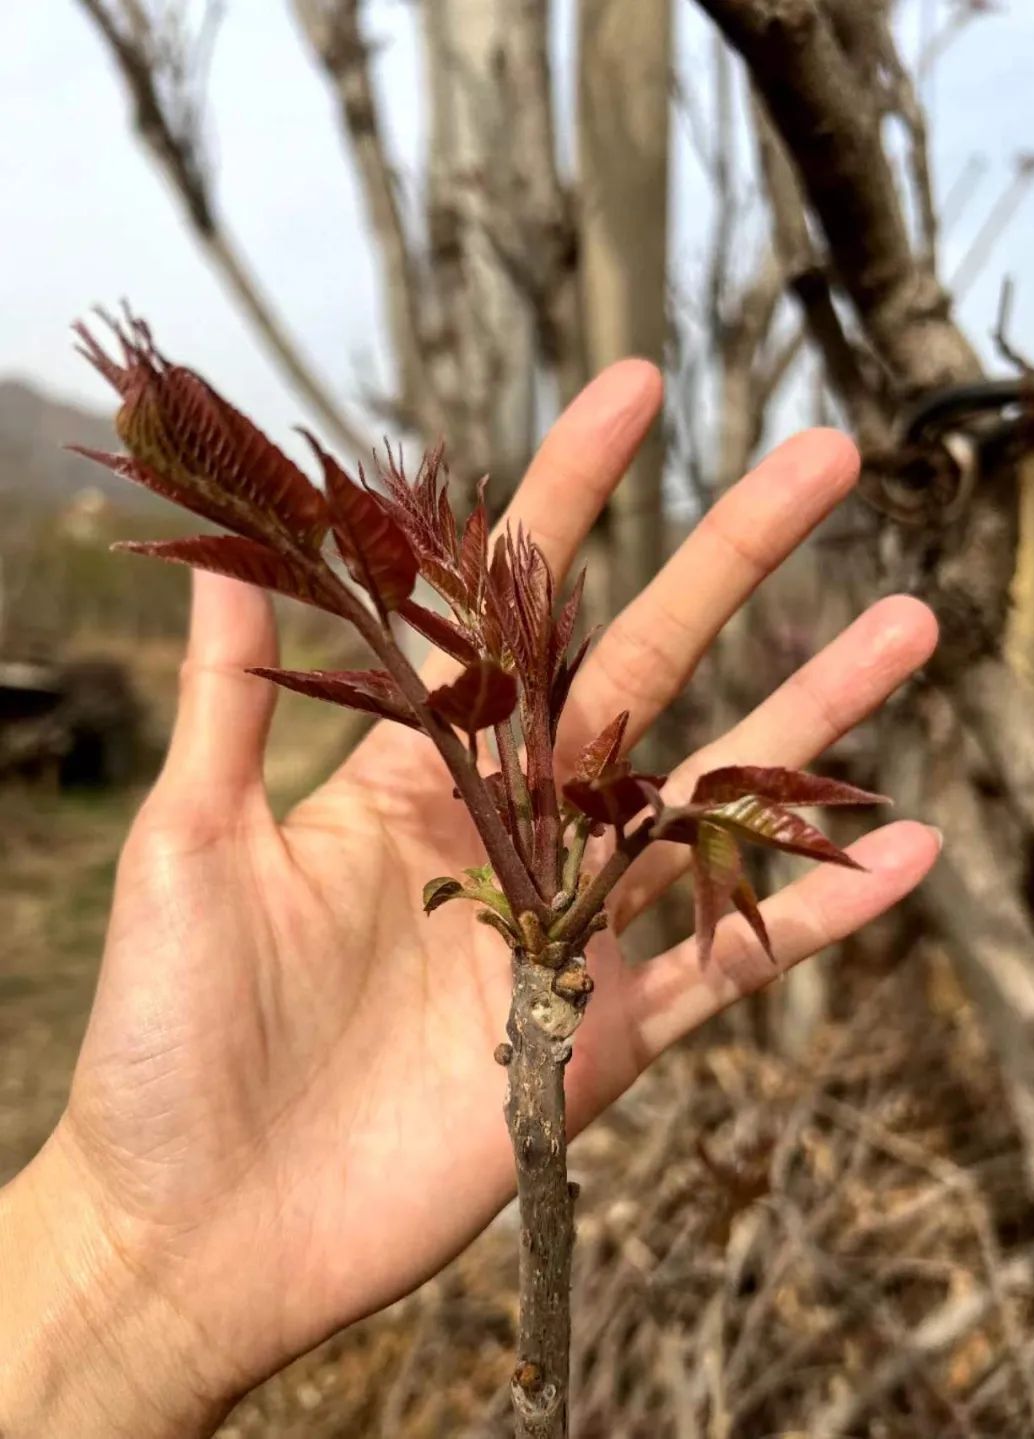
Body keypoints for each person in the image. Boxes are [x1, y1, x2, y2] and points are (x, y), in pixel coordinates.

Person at [0, 362, 940, 1437]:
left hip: (546, 942)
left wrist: (111, 1276)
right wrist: (111, 1249)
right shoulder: (473, 698)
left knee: (624, 780)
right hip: (524, 936)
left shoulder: (521, 722)